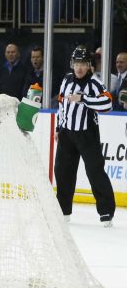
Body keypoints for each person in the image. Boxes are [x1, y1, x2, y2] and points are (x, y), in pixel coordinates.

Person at [55, 46, 115, 227]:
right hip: (67, 134)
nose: (79, 68)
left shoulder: (95, 83)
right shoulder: (66, 80)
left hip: (88, 134)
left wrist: (84, 99)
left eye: (83, 64)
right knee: (63, 171)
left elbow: (108, 104)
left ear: (89, 65)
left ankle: (106, 212)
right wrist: (59, 127)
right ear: (72, 64)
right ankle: (63, 210)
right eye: (76, 64)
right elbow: (61, 104)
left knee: (95, 171)